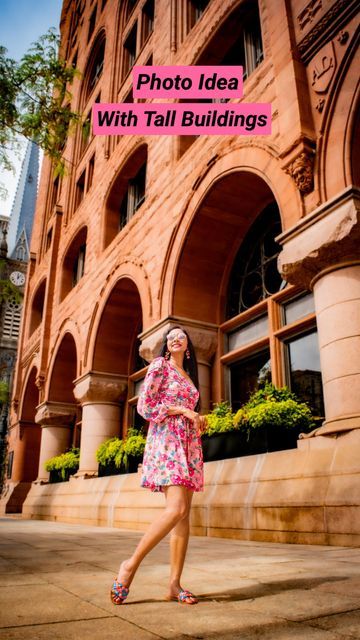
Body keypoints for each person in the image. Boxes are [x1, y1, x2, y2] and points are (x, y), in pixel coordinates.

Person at [110, 326, 206, 605]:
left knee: (184, 514)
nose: (175, 338)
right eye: (171, 336)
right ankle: (130, 565)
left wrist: (196, 418)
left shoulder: (189, 376)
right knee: (175, 508)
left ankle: (175, 584)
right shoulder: (159, 366)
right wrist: (182, 411)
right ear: (166, 345)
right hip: (167, 442)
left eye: (181, 335)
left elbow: (187, 406)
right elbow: (146, 406)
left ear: (188, 345)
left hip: (188, 443)